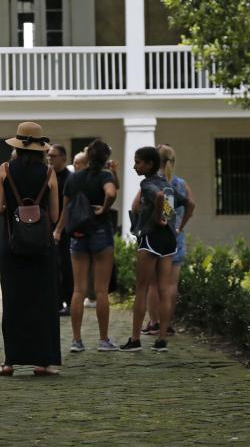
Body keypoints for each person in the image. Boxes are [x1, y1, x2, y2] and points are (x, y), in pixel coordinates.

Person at [0, 122, 61, 376]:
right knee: (43, 301)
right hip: (42, 246)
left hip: (13, 244)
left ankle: (9, 362)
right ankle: (43, 362)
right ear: (41, 147)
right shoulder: (49, 172)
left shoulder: (5, 169)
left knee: (13, 302)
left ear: (18, 147)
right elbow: (54, 214)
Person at [120, 146, 186, 353]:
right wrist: (176, 227)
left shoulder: (147, 183)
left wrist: (157, 219)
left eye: (138, 162)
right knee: (165, 290)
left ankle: (135, 339)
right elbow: (189, 204)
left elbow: (157, 199)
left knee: (142, 288)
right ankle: (162, 340)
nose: (134, 166)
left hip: (150, 238)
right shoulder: (168, 184)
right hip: (168, 240)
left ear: (149, 164)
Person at [54, 140, 118, 352]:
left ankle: (77, 340)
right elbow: (111, 193)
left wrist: (59, 230)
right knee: (101, 291)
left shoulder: (74, 178)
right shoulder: (105, 176)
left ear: (88, 157)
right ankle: (103, 340)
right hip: (100, 232)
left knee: (78, 290)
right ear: (106, 157)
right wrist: (104, 209)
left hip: (78, 234)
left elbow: (66, 209)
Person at [143, 144, 196, 336]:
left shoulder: (152, 183)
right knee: (172, 285)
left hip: (156, 238)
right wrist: (180, 227)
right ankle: (168, 323)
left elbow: (135, 207)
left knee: (153, 284)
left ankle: (154, 322)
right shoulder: (181, 183)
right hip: (176, 238)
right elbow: (191, 204)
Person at [47, 144, 73, 315]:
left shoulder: (69, 178)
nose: (49, 159)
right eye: (48, 156)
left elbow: (68, 206)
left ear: (63, 158)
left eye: (53, 156)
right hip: (49, 227)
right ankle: (55, 303)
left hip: (65, 229)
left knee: (66, 267)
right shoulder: (48, 175)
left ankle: (69, 303)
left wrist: (58, 229)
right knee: (52, 267)